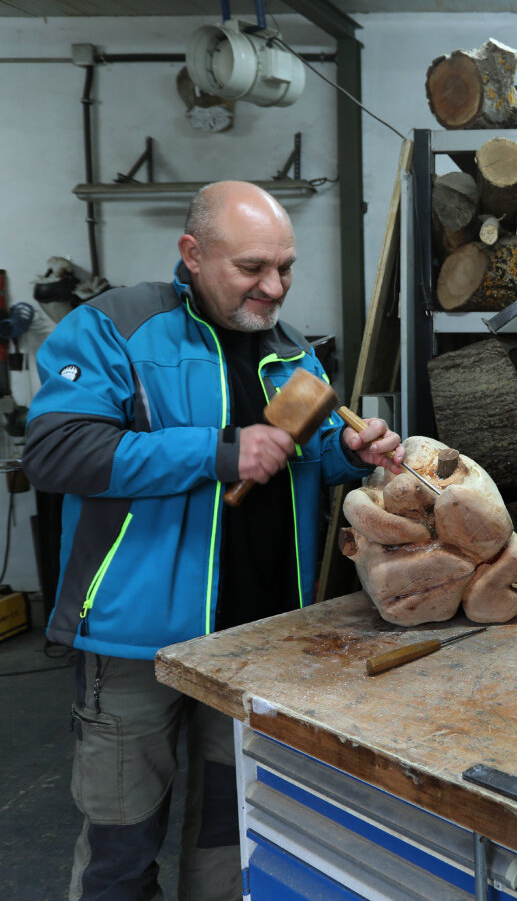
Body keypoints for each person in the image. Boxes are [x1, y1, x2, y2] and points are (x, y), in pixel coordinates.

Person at [23, 180, 405, 901]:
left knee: (233, 838)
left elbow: (301, 454)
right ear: (193, 255)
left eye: (286, 267)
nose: (275, 286)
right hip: (139, 641)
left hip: (260, 639)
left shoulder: (293, 352)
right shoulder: (114, 328)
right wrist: (219, 451)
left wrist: (348, 455)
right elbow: (59, 452)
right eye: (253, 267)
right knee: (121, 844)